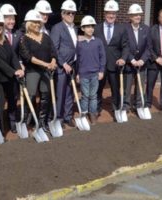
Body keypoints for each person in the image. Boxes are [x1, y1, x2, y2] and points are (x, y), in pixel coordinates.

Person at [19, 9, 57, 133]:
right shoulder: (24, 39)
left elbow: (53, 52)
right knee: (30, 96)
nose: (37, 24)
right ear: (28, 23)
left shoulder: (46, 37)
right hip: (32, 71)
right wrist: (45, 64)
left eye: (38, 22)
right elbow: (28, 57)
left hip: (46, 72)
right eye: (34, 22)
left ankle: (42, 122)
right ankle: (28, 121)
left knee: (46, 96)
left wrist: (53, 62)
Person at [93, 0, 129, 118]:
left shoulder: (121, 28)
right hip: (100, 66)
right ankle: (96, 109)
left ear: (116, 14)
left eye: (113, 13)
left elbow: (125, 46)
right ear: (105, 13)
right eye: (109, 13)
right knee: (98, 89)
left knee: (115, 89)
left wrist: (123, 58)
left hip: (115, 64)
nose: (111, 15)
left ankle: (116, 109)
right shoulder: (96, 28)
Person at [50, 0, 78, 128]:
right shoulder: (57, 28)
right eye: (68, 13)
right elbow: (54, 49)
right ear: (62, 14)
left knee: (70, 92)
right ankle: (59, 118)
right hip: (62, 67)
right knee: (60, 93)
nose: (71, 15)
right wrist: (64, 63)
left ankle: (68, 116)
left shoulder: (75, 28)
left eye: (73, 13)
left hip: (72, 65)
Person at [76, 15, 106, 125]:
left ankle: (92, 114)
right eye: (87, 27)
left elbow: (103, 57)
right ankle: (84, 113)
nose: (90, 29)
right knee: (85, 95)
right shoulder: (79, 43)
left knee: (93, 96)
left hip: (95, 73)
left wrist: (101, 70)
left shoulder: (98, 42)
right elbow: (77, 59)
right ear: (82, 28)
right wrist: (78, 73)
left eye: (92, 26)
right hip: (83, 74)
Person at [0, 3, 23, 133]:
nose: (11, 21)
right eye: (8, 18)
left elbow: (18, 53)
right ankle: (1, 124)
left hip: (14, 73)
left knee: (13, 98)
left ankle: (12, 121)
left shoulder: (17, 34)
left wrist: (20, 64)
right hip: (1, 73)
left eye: (13, 18)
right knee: (1, 99)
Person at [124, 4, 151, 113]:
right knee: (127, 86)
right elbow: (124, 46)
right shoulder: (124, 29)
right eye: (135, 15)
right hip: (129, 63)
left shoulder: (146, 29)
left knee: (140, 87)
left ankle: (138, 105)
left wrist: (142, 60)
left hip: (142, 63)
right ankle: (126, 106)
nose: (138, 17)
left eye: (139, 15)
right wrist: (132, 59)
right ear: (130, 16)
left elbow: (149, 47)